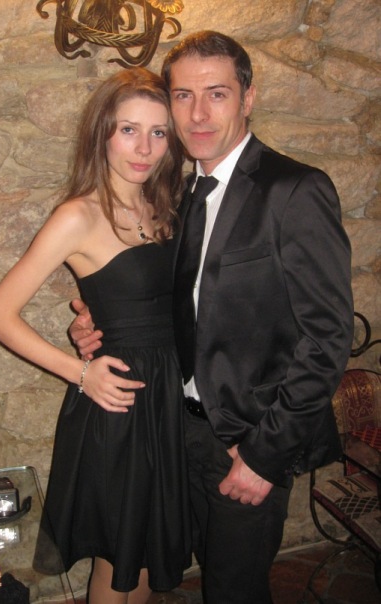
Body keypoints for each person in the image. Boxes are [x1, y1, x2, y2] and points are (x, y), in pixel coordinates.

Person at [70, 31, 354, 604]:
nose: (197, 114)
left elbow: (327, 340)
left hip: (247, 440)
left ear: (248, 98)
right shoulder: (175, 193)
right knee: (166, 565)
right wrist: (96, 323)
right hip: (173, 428)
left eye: (217, 94)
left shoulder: (294, 190)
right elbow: (173, 301)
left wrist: (263, 457)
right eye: (183, 96)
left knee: (232, 589)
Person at [0, 67, 191, 604]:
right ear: (103, 133)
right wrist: (80, 372)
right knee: (117, 555)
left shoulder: (167, 205)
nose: (144, 148)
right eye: (129, 130)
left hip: (168, 398)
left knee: (145, 549)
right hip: (118, 402)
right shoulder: (78, 216)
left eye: (158, 132)